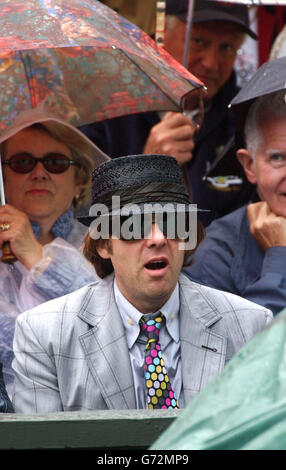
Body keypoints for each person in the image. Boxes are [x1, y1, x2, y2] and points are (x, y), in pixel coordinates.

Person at [12, 154, 272, 413]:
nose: (158, 238)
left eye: (172, 223)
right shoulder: (43, 334)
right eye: (133, 226)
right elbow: (42, 445)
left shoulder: (251, 326)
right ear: (104, 244)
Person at [80, 0, 257, 226]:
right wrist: (145, 171)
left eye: (226, 48)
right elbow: (86, 222)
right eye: (199, 41)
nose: (212, 64)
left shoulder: (245, 116)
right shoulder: (103, 109)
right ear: (160, 35)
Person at [0, 108, 105, 394]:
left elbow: (104, 328)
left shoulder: (105, 246)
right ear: (3, 176)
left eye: (55, 163)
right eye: (22, 163)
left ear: (79, 181)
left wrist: (35, 256)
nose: (39, 174)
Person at [185, 89, 286, 317]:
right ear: (249, 165)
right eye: (277, 158)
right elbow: (248, 349)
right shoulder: (217, 253)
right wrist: (279, 257)